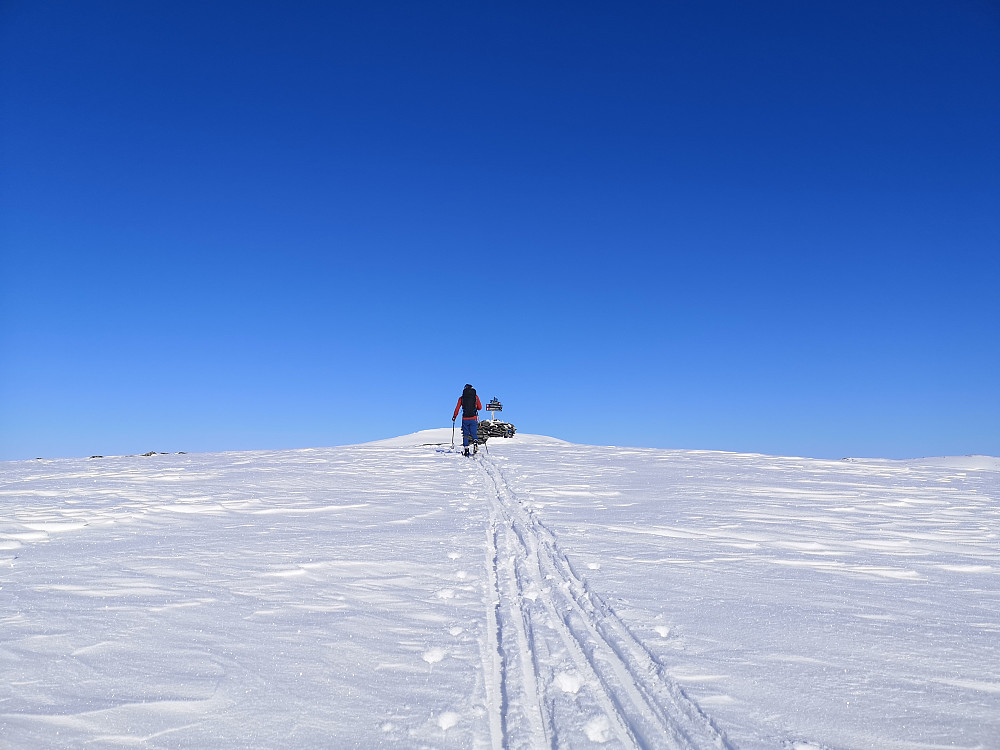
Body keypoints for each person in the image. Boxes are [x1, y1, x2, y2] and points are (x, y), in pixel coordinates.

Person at [452, 383, 482, 457]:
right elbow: (480, 407)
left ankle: (466, 449)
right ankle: (475, 443)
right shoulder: (475, 397)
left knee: (465, 434)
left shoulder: (461, 398)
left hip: (465, 418)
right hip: (473, 418)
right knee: (474, 433)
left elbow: (457, 408)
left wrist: (454, 417)